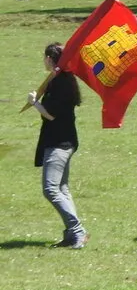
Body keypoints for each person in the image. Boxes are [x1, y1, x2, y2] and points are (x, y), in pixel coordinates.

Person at [29, 43, 88, 249]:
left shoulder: (59, 83)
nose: (43, 60)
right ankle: (71, 235)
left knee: (50, 189)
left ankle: (78, 230)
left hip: (59, 143)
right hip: (64, 140)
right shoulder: (63, 79)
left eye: (44, 57)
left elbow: (51, 114)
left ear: (49, 58)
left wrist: (35, 103)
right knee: (62, 188)